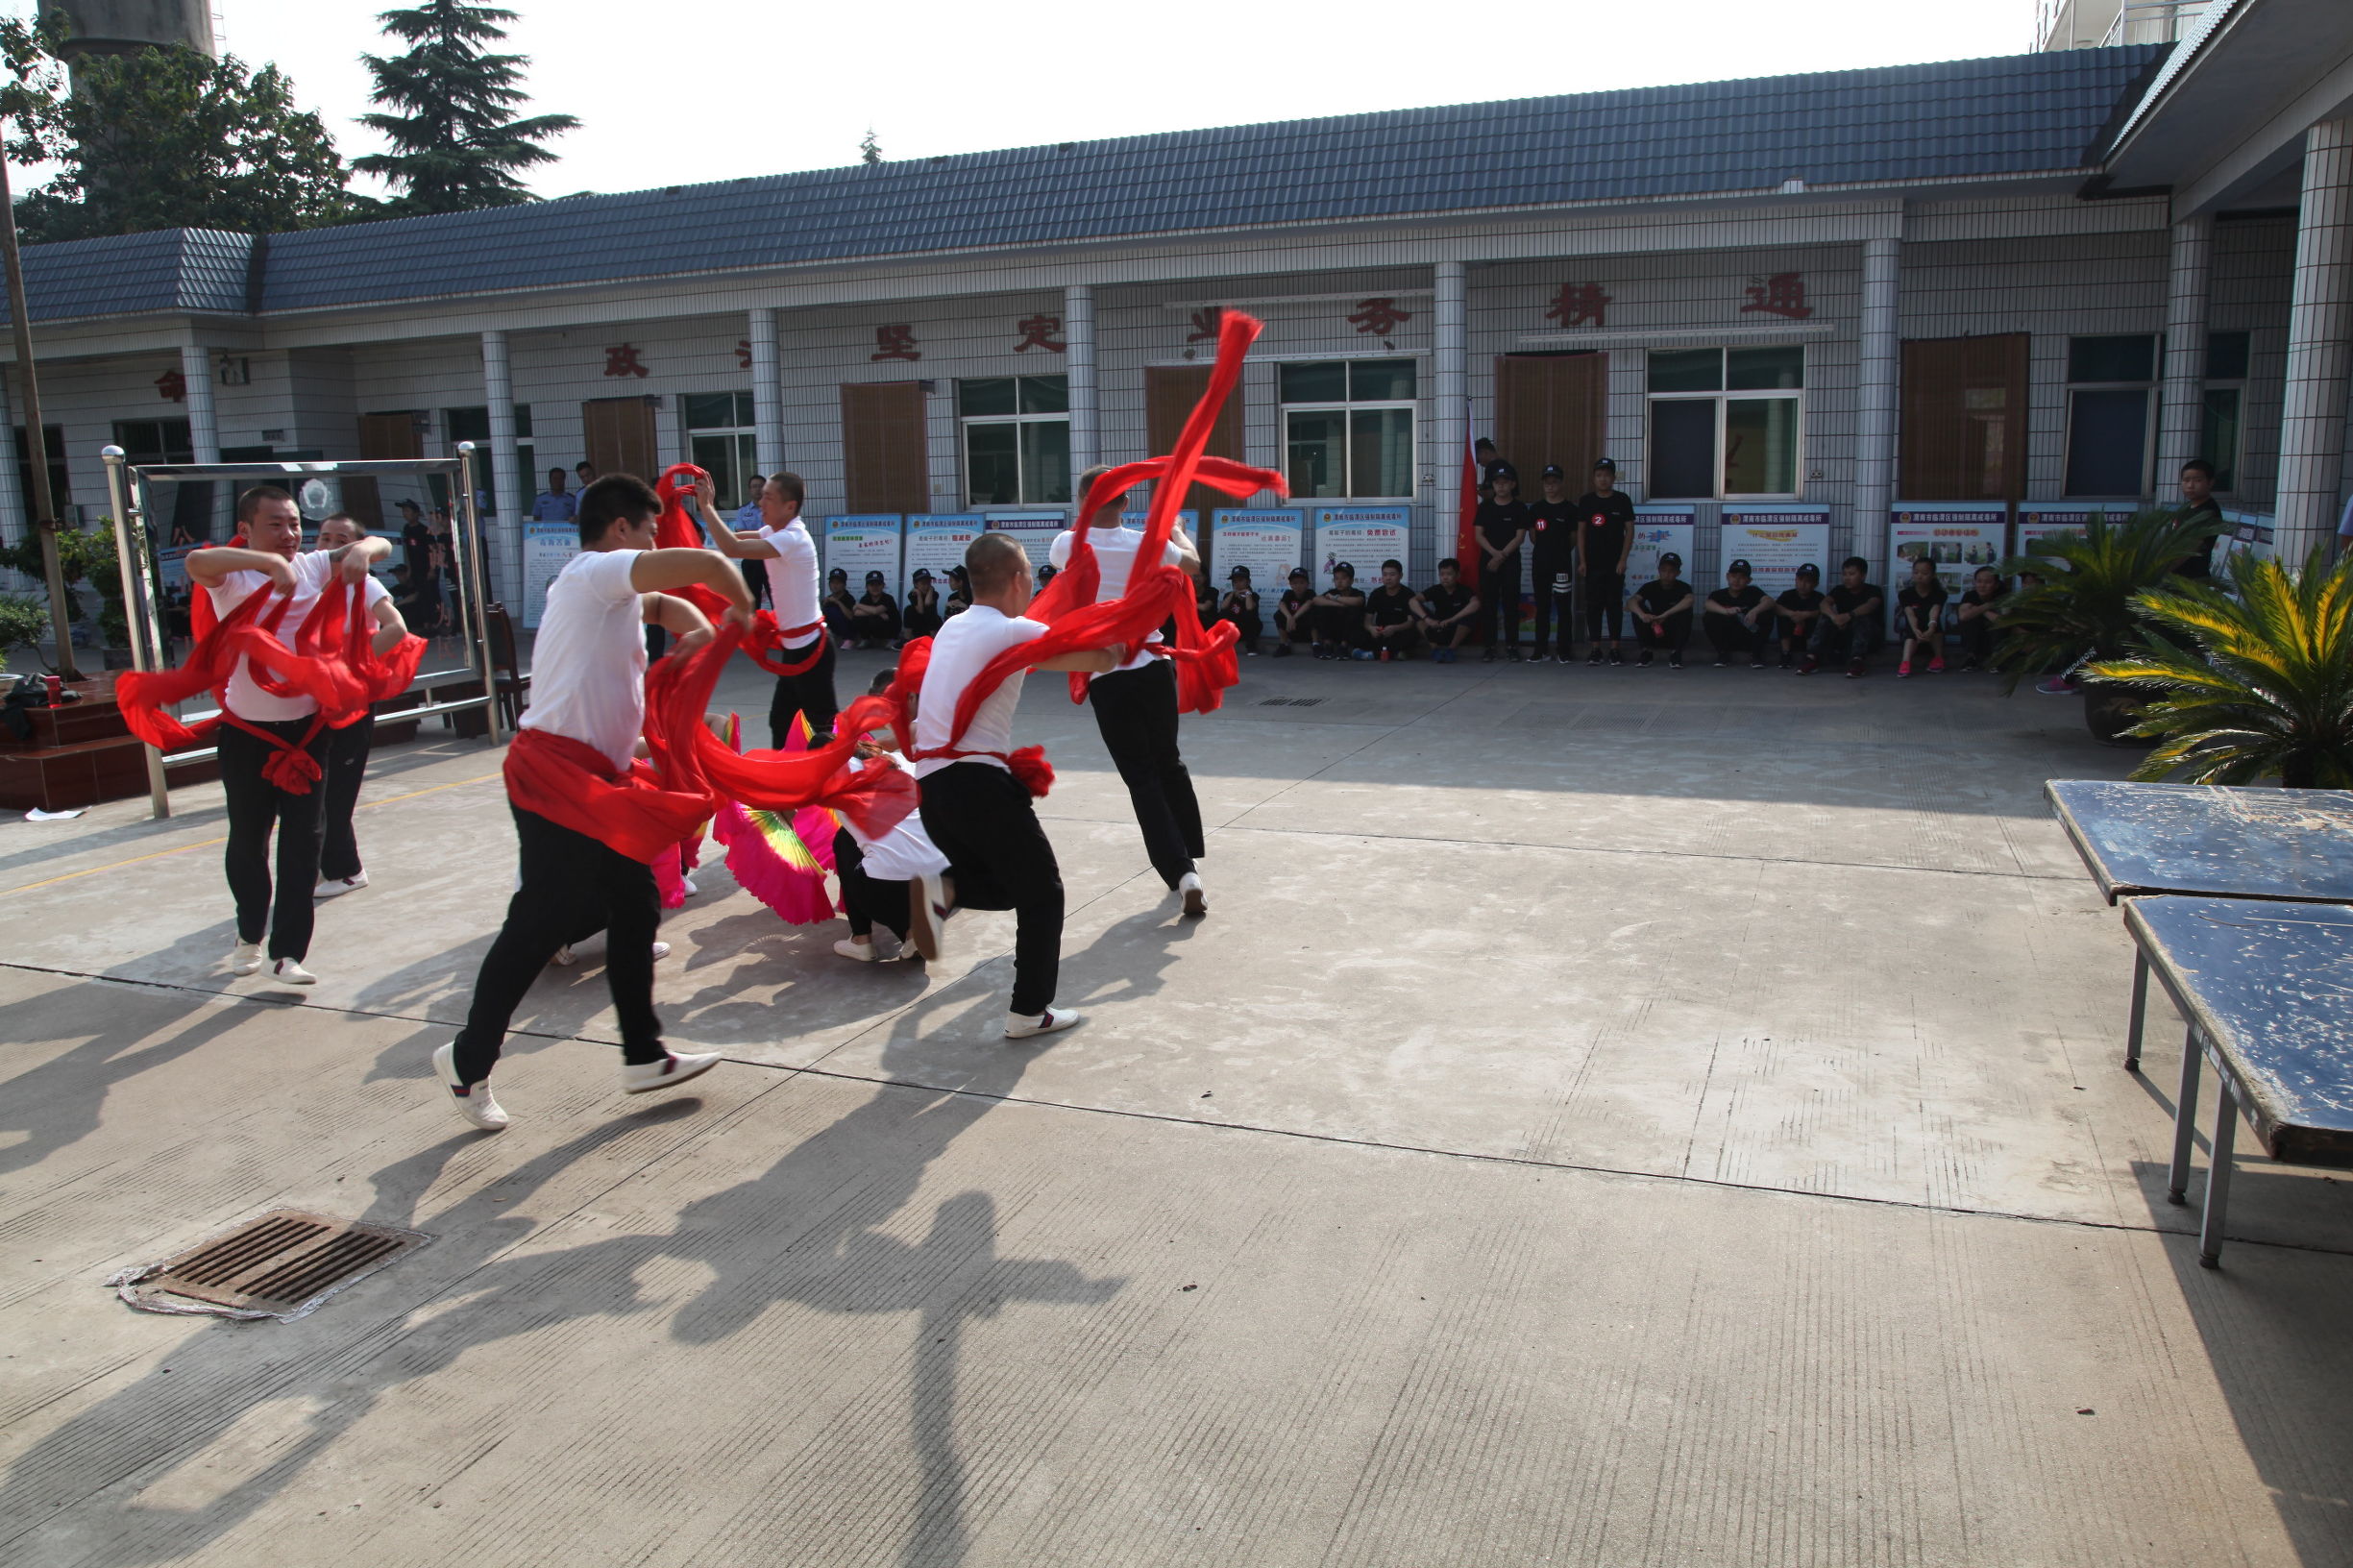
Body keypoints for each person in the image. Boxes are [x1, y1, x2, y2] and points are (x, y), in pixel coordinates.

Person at [431, 473, 752, 1130]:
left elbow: (663, 604)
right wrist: (739, 600)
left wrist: (694, 628)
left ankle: (643, 1055)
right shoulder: (593, 573)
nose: (657, 541)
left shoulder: (605, 593)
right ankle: (466, 1063)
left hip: (590, 782)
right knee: (537, 925)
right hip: (553, 778)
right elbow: (704, 565)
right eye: (651, 530)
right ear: (621, 531)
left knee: (634, 903)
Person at [908, 531, 1121, 1037]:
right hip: (978, 783)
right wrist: (1124, 626)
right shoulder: (1012, 632)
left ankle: (946, 888)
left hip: (934, 788)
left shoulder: (951, 629)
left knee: (1008, 889)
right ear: (1021, 579)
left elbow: (1044, 654)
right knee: (1044, 893)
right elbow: (1102, 658)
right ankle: (1030, 1011)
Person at [185, 485, 392, 987]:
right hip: (248, 732)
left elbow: (380, 546)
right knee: (249, 840)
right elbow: (196, 560)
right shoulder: (230, 577)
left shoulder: (314, 566)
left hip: (307, 733)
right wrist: (267, 564)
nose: (290, 534)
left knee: (305, 841)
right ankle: (249, 934)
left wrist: (362, 550)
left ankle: (288, 954)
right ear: (247, 530)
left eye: (295, 523)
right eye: (275, 524)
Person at [1049, 470, 1212, 914]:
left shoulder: (1068, 544)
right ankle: (1189, 857)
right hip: (1155, 666)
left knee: (1141, 776)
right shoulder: (1148, 543)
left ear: (1083, 499)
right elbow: (1194, 566)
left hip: (1107, 672)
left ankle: (1181, 870)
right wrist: (1177, 531)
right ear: (1126, 503)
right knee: (1169, 762)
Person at [696, 472, 837, 747]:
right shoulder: (775, 532)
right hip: (795, 649)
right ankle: (784, 782)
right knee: (781, 722)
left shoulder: (793, 537)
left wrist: (707, 507)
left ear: (789, 507)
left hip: (812, 650)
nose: (761, 502)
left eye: (768, 497)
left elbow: (733, 547)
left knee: (820, 729)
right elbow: (731, 540)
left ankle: (833, 781)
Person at [311, 514, 408, 899]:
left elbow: (396, 628)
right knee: (314, 788)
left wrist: (346, 666)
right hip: (314, 700)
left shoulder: (364, 583)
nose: (331, 544)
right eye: (325, 537)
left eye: (342, 539)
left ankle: (347, 870)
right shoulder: (307, 578)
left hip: (350, 701)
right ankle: (324, 866)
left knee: (337, 790)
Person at [833, 671, 953, 962]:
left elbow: (887, 744)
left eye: (885, 707)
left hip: (931, 840)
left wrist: (849, 748)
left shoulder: (916, 731)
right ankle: (914, 929)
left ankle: (870, 936)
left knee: (846, 842)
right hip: (949, 860)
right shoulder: (941, 719)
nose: (881, 717)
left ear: (911, 698)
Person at [1576, 458, 1635, 666]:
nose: (1603, 479)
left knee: (1614, 605)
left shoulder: (1622, 499)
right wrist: (1582, 561)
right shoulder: (1586, 501)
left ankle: (1615, 649)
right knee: (1593, 606)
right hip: (1592, 564)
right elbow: (1581, 532)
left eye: (1607, 475)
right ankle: (1595, 649)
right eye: (1599, 475)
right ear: (1594, 478)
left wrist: (1623, 559)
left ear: (1613, 477)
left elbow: (1630, 531)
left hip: (1615, 564)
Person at [1474, 461, 1532, 661]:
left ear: (1512, 484)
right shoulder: (1485, 507)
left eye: (1505, 482)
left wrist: (1502, 556)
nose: (1501, 486)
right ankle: (1489, 646)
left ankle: (1512, 645)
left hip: (1510, 562)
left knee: (1511, 604)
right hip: (1488, 563)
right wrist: (1494, 554)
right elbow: (1478, 535)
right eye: (1497, 483)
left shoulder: (1519, 507)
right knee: (1489, 604)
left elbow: (1520, 537)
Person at [1528, 463, 1577, 662]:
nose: (1550, 486)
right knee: (1542, 607)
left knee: (1564, 608)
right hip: (1540, 564)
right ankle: (1541, 649)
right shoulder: (1537, 508)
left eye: (1554, 482)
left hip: (1562, 565)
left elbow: (1573, 538)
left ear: (1561, 483)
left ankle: (1563, 650)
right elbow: (1533, 536)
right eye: (1547, 483)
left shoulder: (1570, 509)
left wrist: (1560, 552)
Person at [1811, 555, 1884, 678]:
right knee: (1825, 617)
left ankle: (1857, 662)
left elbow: (1871, 605)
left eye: (1851, 574)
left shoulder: (1874, 590)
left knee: (1862, 618)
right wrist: (1834, 617)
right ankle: (1811, 658)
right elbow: (1823, 604)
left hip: (1869, 637)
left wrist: (1849, 616)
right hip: (1844, 633)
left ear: (1863, 575)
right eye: (1844, 574)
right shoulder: (1839, 590)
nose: (1847, 578)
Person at [1702, 557, 1773, 669]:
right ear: (1727, 576)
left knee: (1767, 613)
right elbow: (1708, 604)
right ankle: (1723, 654)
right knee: (1709, 616)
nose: (1737, 580)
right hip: (1728, 638)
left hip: (1749, 637)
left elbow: (1769, 601)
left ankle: (1756, 655)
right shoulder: (1719, 594)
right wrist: (1726, 611)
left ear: (1749, 580)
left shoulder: (1753, 591)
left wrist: (1755, 611)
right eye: (1734, 576)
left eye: (1742, 577)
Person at [1627, 551, 1694, 668]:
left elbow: (1690, 600)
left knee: (1686, 610)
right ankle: (1646, 652)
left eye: (1671, 571)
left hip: (1674, 633)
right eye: (1664, 570)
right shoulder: (1650, 586)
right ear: (1659, 570)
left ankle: (1676, 654)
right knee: (1637, 608)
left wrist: (1666, 615)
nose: (1667, 573)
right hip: (1655, 629)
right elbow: (1631, 601)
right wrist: (1643, 615)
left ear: (1678, 573)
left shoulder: (1683, 587)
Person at [1413, 557, 1479, 662]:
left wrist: (1452, 619)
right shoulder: (1436, 589)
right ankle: (1435, 650)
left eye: (1449, 574)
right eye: (1442, 574)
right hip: (1438, 629)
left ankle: (1451, 650)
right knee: (1415, 612)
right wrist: (1427, 619)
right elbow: (1412, 601)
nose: (1445, 577)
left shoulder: (1464, 590)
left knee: (1471, 613)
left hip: (1458, 631)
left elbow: (1476, 604)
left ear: (1457, 575)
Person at [2169, 459, 2225, 578]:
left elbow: (2189, 547)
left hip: (2192, 581)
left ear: (2210, 483)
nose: (2190, 485)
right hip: (2175, 578)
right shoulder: (2186, 508)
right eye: (2186, 480)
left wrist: (2160, 571)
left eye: (2197, 480)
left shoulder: (2209, 511)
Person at [1895, 555, 1949, 677]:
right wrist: (1916, 630)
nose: (1919, 576)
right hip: (1914, 632)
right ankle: (1905, 662)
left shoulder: (1940, 594)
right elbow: (1910, 614)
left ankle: (1938, 658)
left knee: (1936, 627)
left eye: (1924, 573)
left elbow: (1934, 611)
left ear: (1933, 575)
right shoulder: (1905, 594)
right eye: (1916, 572)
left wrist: (1931, 628)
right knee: (1911, 630)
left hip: (1932, 631)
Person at [1309, 562, 1370, 659]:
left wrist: (1335, 598)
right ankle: (1328, 645)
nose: (1339, 581)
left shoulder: (1357, 593)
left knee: (1354, 609)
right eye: (1336, 578)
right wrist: (1339, 604)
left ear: (1351, 581)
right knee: (1320, 607)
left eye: (1343, 578)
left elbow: (1358, 601)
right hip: (1334, 630)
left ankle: (1343, 647)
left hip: (1352, 634)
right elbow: (1315, 600)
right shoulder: (1332, 592)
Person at [1953, 566, 2008, 672]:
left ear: (1996, 585)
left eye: (1987, 582)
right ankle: (1971, 658)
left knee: (1996, 625)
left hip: (1996, 638)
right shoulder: (1970, 595)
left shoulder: (2003, 596)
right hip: (1976, 638)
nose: (1982, 585)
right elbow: (1963, 616)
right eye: (1979, 581)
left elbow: (2003, 621)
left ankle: (1997, 660)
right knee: (1970, 620)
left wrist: (1977, 609)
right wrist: (1986, 607)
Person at [1363, 558, 1420, 660]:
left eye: (1392, 574)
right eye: (1385, 575)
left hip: (1399, 631)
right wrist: (1371, 629)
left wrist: (1395, 628)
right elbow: (1367, 620)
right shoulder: (1376, 594)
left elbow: (1411, 622)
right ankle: (1395, 654)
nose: (1388, 578)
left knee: (1413, 634)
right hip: (1381, 632)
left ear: (1400, 576)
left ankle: (1375, 654)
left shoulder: (1408, 594)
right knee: (1359, 634)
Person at [1775, 562, 1826, 671]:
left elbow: (1825, 611)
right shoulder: (1787, 595)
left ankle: (1810, 656)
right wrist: (1792, 614)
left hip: (1810, 638)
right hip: (1791, 636)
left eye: (1808, 581)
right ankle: (1785, 654)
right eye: (1800, 580)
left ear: (1815, 584)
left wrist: (1806, 615)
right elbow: (1776, 608)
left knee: (1817, 620)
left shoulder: (1819, 597)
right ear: (1796, 580)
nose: (1803, 584)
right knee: (1783, 617)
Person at [733, 477, 771, 608]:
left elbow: (775, 533)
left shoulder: (773, 508)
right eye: (754, 486)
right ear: (749, 490)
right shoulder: (743, 511)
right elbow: (741, 535)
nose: (757, 489)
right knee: (752, 601)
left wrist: (754, 536)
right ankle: (754, 628)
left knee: (776, 597)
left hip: (770, 559)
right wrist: (763, 537)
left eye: (760, 486)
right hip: (751, 559)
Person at [849, 569, 901, 649]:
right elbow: (856, 613)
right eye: (872, 585)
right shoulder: (865, 598)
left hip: (889, 629)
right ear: (866, 587)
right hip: (875, 627)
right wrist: (878, 613)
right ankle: (866, 639)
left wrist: (859, 605)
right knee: (858, 619)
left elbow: (875, 611)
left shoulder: (888, 598)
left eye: (878, 584)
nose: (875, 587)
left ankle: (892, 640)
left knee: (876, 618)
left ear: (883, 585)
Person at [1218, 566, 1262, 653]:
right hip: (1234, 630)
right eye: (1235, 581)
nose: (1237, 584)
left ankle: (1251, 647)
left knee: (1250, 614)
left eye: (1241, 580)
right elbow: (1223, 607)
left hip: (1248, 630)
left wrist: (1247, 593)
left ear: (1248, 582)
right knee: (1222, 614)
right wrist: (1233, 594)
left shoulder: (1254, 595)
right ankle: (1222, 644)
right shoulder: (1229, 595)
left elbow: (1250, 608)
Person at [1273, 567, 1315, 655]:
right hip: (1293, 629)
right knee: (1278, 614)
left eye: (1301, 582)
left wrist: (1293, 617)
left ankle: (1316, 645)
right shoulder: (1289, 593)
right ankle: (1284, 645)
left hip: (1307, 632)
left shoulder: (1310, 593)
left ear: (1307, 584)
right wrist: (1289, 617)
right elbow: (1281, 604)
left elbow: (1308, 604)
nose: (1298, 586)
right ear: (1291, 584)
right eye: (1295, 583)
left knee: (1315, 613)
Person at [396, 498, 431, 585]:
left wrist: (432, 570)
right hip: (413, 569)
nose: (405, 514)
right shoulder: (406, 528)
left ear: (416, 513)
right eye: (403, 511)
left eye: (407, 511)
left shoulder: (424, 530)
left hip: (425, 569)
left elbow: (432, 551)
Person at [904, 568, 944, 640]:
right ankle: (906, 639)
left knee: (930, 610)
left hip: (931, 626)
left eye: (928, 583)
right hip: (918, 625)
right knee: (908, 609)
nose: (926, 586)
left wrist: (931, 589)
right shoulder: (913, 594)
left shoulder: (934, 593)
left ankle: (934, 640)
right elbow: (920, 610)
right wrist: (919, 595)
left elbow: (928, 603)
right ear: (915, 584)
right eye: (923, 583)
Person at [821, 568, 855, 641]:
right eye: (832, 582)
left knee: (832, 611)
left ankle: (848, 639)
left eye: (838, 583)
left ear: (844, 585)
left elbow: (851, 617)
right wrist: (823, 605)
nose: (835, 585)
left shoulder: (849, 598)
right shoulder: (828, 599)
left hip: (846, 630)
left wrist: (838, 602)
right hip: (831, 630)